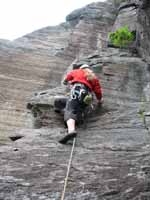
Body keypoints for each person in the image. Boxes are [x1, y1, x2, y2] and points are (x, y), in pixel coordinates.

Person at [59, 64, 103, 144]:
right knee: (76, 108)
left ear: (81, 68)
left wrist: (65, 81)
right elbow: (98, 91)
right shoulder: (93, 77)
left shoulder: (77, 71)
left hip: (77, 90)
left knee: (70, 110)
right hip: (86, 96)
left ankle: (71, 131)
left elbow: (67, 78)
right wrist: (99, 100)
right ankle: (77, 120)